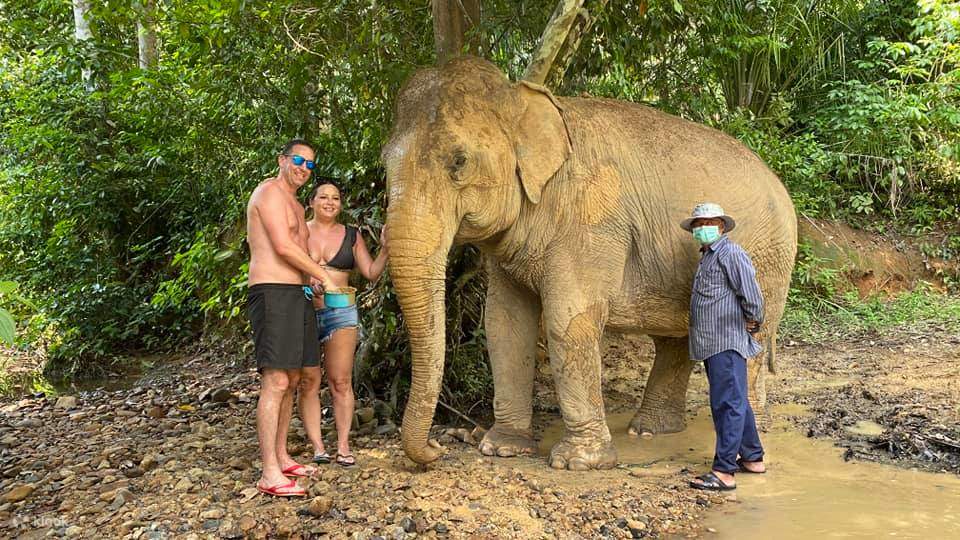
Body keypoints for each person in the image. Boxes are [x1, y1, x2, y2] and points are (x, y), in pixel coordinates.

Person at [246, 138, 336, 497]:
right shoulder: (268, 193)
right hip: (272, 292)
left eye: (310, 164)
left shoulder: (298, 205)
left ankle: (282, 456)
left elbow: (298, 251)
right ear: (283, 159)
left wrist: (313, 276)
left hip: (297, 294)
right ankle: (269, 472)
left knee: (296, 376)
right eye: (299, 160)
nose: (304, 167)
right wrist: (323, 274)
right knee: (277, 380)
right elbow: (281, 247)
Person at [300, 179, 389, 468]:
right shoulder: (299, 230)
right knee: (309, 381)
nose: (329, 202)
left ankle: (343, 445)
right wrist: (306, 282)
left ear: (341, 204)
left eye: (335, 198)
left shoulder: (351, 235)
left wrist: (386, 249)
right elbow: (287, 266)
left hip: (342, 312)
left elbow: (371, 272)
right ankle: (317, 447)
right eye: (323, 197)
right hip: (303, 310)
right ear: (311, 201)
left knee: (341, 381)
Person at [681, 202, 767, 492]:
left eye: (708, 222)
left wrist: (753, 321)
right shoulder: (708, 256)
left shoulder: (731, 253)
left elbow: (751, 292)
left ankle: (724, 472)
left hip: (725, 340)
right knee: (736, 399)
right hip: (712, 341)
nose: (701, 228)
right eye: (697, 224)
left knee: (726, 403)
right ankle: (752, 458)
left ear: (720, 225)